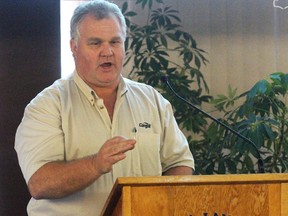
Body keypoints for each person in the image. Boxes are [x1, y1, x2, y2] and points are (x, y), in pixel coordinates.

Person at [15, 0, 194, 215]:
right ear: (74, 46)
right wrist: (95, 165)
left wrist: (159, 204)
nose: (107, 52)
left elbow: (179, 162)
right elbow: (40, 183)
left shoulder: (151, 100)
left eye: (115, 42)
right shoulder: (47, 106)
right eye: (95, 43)